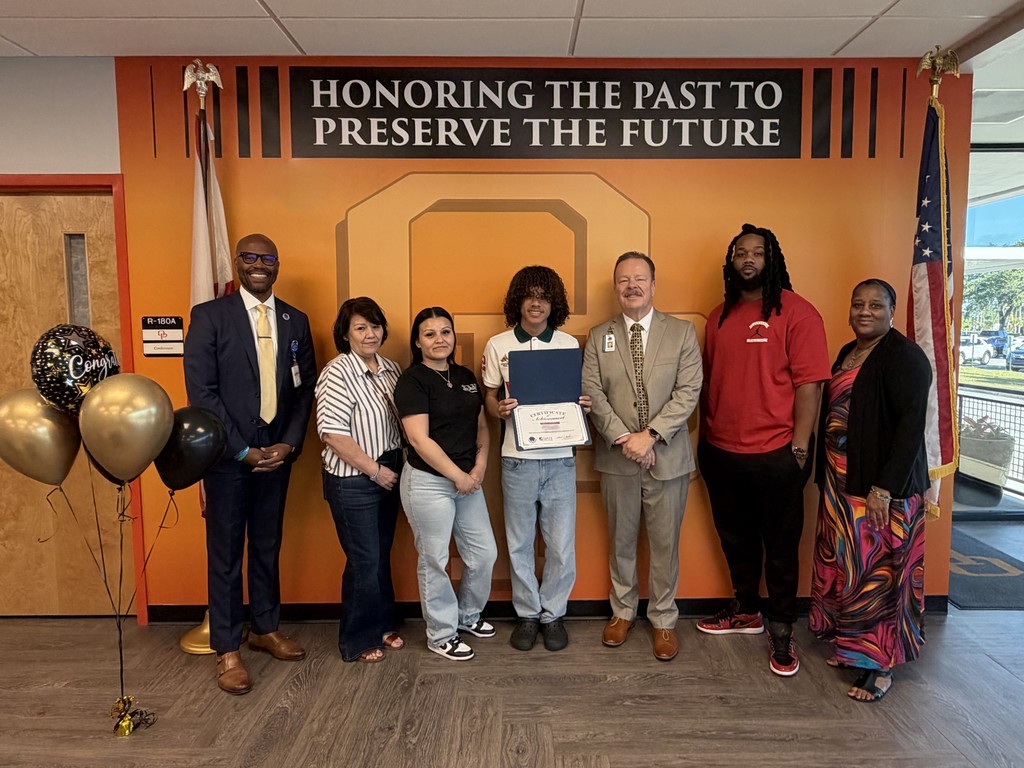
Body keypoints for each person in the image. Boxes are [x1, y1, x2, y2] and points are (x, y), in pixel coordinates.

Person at [184, 233, 317, 695]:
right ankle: (227, 647)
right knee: (225, 555)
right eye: (250, 257)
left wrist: (287, 444)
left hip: (276, 454)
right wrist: (242, 449)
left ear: (278, 265)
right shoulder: (209, 317)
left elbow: (303, 392)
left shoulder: (295, 320)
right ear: (237, 263)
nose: (259, 265)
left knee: (266, 544)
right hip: (226, 456)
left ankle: (264, 628)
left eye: (268, 258)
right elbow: (202, 394)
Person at [696, 223, 831, 677]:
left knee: (779, 547)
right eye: (740, 253)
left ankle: (781, 627)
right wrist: (707, 441)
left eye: (758, 253)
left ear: (772, 260)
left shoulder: (798, 313)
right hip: (720, 450)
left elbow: (809, 386)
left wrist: (799, 447)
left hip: (778, 453)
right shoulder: (718, 316)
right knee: (734, 538)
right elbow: (712, 382)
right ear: (730, 263)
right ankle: (746, 610)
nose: (748, 260)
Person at [810, 279, 931, 702]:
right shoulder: (849, 351)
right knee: (849, 568)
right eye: (858, 303)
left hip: (879, 490)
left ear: (892, 310)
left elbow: (911, 430)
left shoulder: (905, 357)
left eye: (876, 305)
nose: (865, 311)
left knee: (878, 575)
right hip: (842, 484)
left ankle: (880, 668)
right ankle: (851, 650)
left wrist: (884, 488)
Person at [582, 252, 702, 661]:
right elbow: (592, 393)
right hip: (617, 459)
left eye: (639, 279)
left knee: (666, 544)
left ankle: (665, 619)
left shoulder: (682, 333)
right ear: (616, 287)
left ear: (653, 284)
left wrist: (649, 437)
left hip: (667, 457)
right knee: (621, 540)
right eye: (623, 280)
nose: (631, 286)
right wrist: (624, 438)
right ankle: (622, 612)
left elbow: (689, 391)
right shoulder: (599, 336)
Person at [482, 266, 591, 652]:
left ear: (553, 303)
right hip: (517, 459)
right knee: (520, 542)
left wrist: (584, 405)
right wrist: (499, 410)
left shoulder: (567, 345)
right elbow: (489, 397)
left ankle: (554, 614)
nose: (536, 302)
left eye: (544, 295)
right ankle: (528, 614)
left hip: (561, 458)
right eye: (528, 295)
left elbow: (576, 398)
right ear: (518, 301)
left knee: (561, 544)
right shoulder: (498, 345)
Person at [395, 307, 497, 661]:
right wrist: (459, 477)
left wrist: (480, 467)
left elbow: (481, 424)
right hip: (428, 482)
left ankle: (467, 616)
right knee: (435, 560)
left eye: (445, 332)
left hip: (469, 481)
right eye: (430, 333)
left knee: (484, 554)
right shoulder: (413, 380)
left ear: (454, 337)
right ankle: (441, 634)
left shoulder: (466, 375)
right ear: (417, 341)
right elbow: (419, 439)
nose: (440, 339)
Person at [316, 297, 404, 664]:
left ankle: (382, 622)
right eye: (360, 327)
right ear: (345, 334)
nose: (370, 334)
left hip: (390, 472)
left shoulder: (392, 369)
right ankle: (358, 637)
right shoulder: (337, 373)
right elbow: (332, 435)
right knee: (364, 559)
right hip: (355, 478)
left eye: (375, 326)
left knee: (380, 556)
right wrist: (375, 470)